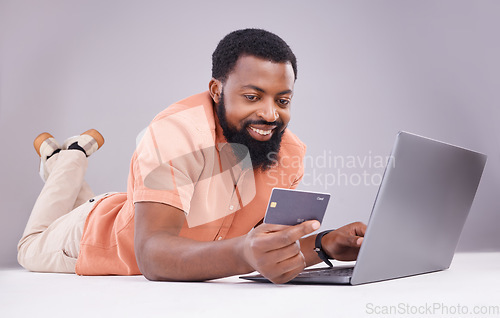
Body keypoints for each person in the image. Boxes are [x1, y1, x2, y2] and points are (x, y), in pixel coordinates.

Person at [18, 28, 366, 284]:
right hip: (90, 237)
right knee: (31, 244)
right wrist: (243, 253)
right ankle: (68, 158)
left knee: (90, 201)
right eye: (252, 96)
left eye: (282, 100)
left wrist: (325, 244)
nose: (271, 114)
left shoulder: (289, 152)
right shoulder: (175, 132)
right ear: (217, 90)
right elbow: (152, 255)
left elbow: (266, 248)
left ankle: (68, 167)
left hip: (127, 205)